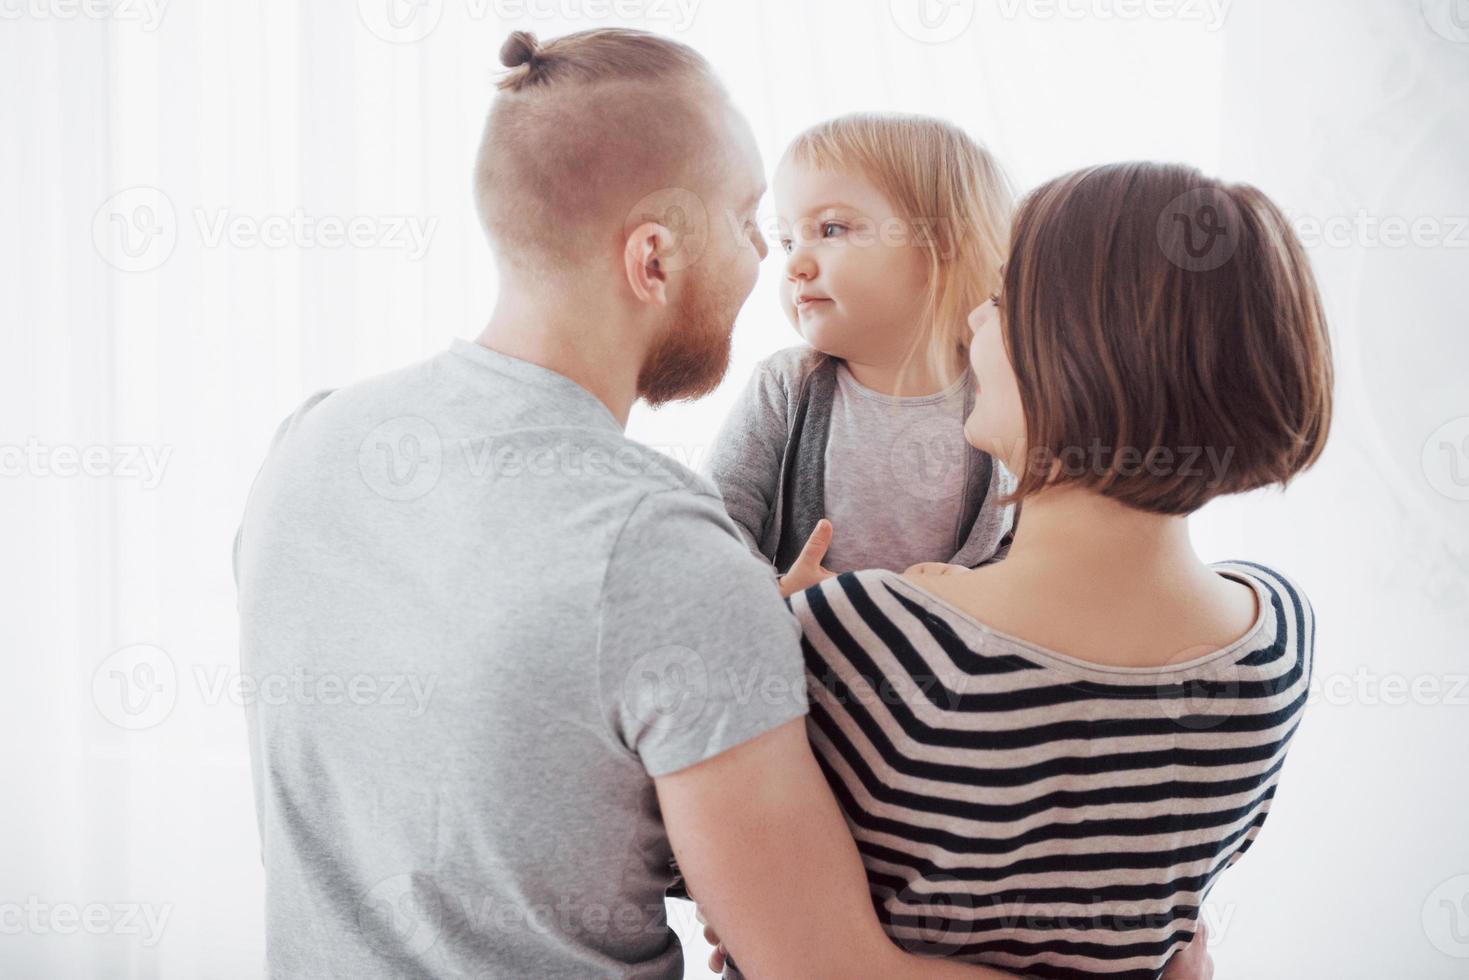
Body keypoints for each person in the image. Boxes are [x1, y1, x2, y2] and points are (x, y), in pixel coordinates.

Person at [233, 26, 1030, 980]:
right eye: (748, 223)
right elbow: (830, 970)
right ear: (653, 259)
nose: (767, 264)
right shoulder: (664, 552)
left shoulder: (311, 442)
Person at [703, 161, 1331, 979]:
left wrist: (762, 646)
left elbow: (710, 880)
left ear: (1075, 355)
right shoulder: (1277, 633)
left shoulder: (863, 634)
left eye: (1001, 301)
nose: (973, 322)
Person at [703, 113, 1018, 588]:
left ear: (942, 242)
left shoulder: (1003, 399)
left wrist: (976, 589)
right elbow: (715, 524)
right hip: (801, 650)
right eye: (789, 241)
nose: (795, 265)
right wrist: (771, 592)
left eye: (830, 229)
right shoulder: (786, 386)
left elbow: (1033, 547)